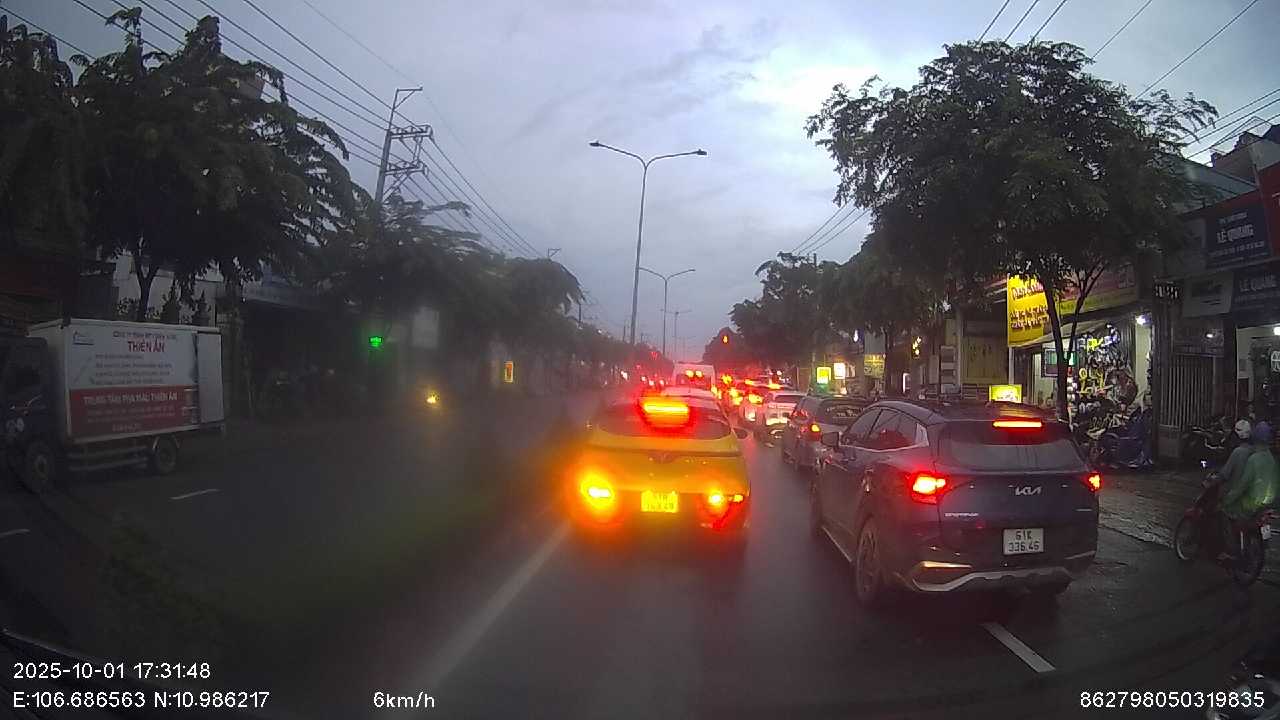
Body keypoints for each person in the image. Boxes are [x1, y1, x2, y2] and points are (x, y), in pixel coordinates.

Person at [1219, 422, 1280, 557]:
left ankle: (1231, 550)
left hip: (1251, 503)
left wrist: (1227, 499)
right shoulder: (1271, 458)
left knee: (1225, 512)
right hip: (1267, 503)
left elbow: (1242, 485)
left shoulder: (1253, 459)